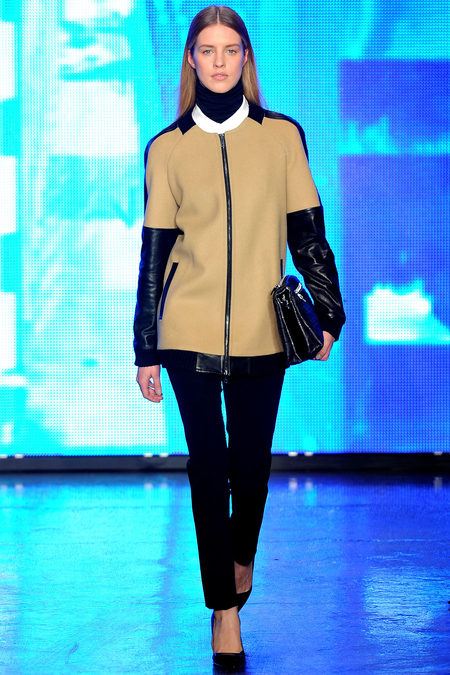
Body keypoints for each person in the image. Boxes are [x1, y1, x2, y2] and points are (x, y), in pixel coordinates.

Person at [134, 5, 346, 670]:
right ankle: (223, 609)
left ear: (246, 58)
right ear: (191, 60)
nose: (220, 61)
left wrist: (330, 313)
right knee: (208, 466)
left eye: (231, 49)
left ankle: (242, 553)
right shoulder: (167, 148)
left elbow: (307, 230)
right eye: (208, 49)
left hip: (262, 327)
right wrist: (145, 347)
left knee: (251, 468)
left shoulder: (282, 137)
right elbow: (154, 253)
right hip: (186, 329)